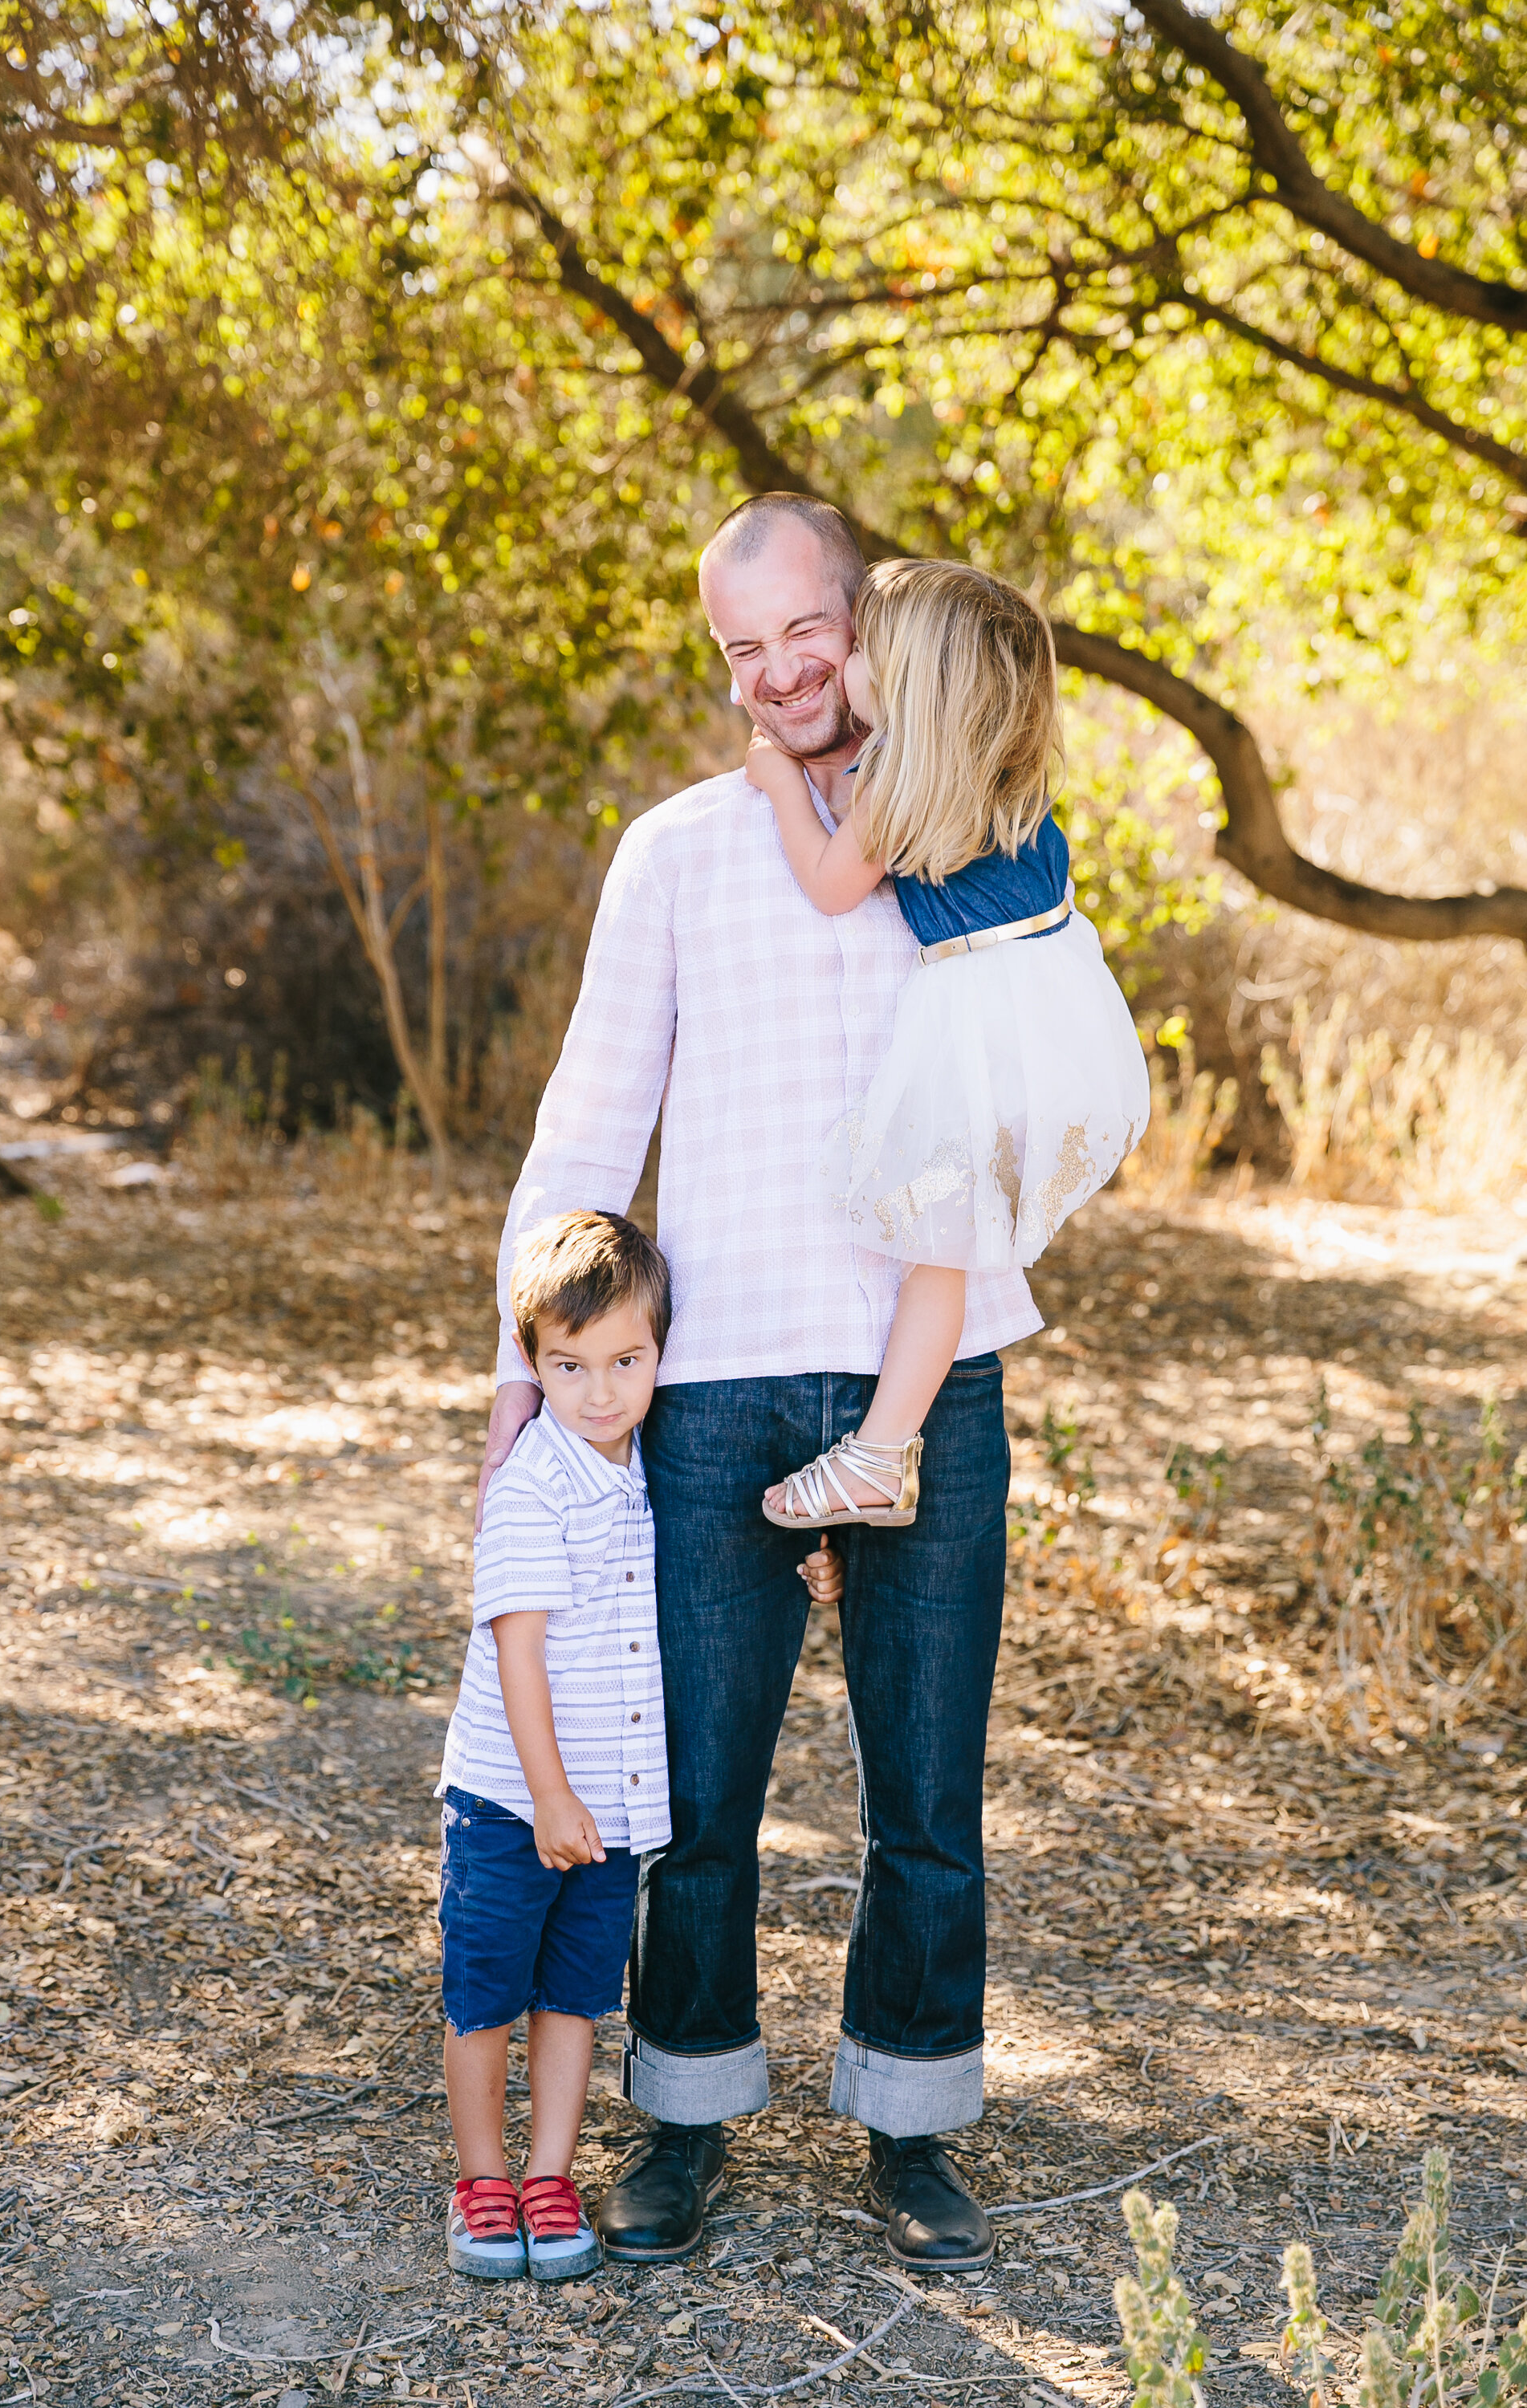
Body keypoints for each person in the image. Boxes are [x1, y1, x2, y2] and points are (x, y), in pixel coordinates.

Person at [479, 494, 1044, 2273]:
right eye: (741, 650)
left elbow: (1023, 1067)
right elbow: (589, 1122)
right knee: (697, 1795)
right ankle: (691, 2115)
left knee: (926, 1794)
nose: (781, 671)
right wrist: (505, 1394)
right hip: (707, 1383)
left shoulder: (964, 824)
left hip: (924, 1381)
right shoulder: (671, 852)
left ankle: (914, 2120)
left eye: (802, 631)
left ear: (864, 615)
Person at [749, 559, 1149, 1531]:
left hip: (980, 1029)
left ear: (896, 682)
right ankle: (878, 1455)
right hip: (1055, 1028)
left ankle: (879, 1456)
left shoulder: (897, 788)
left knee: (936, 1254)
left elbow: (832, 883)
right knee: (944, 1258)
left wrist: (779, 786)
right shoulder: (996, 773)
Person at [438, 1210, 671, 2284]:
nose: (601, 1391)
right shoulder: (534, 1481)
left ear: (659, 1352)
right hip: (510, 1802)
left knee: (577, 1995)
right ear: (533, 1362)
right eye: (570, 1366)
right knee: (488, 1992)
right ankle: (481, 2175)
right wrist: (548, 1797)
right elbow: (517, 1652)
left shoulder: (642, 1474)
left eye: (626, 1360)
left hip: (608, 1810)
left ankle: (550, 2172)